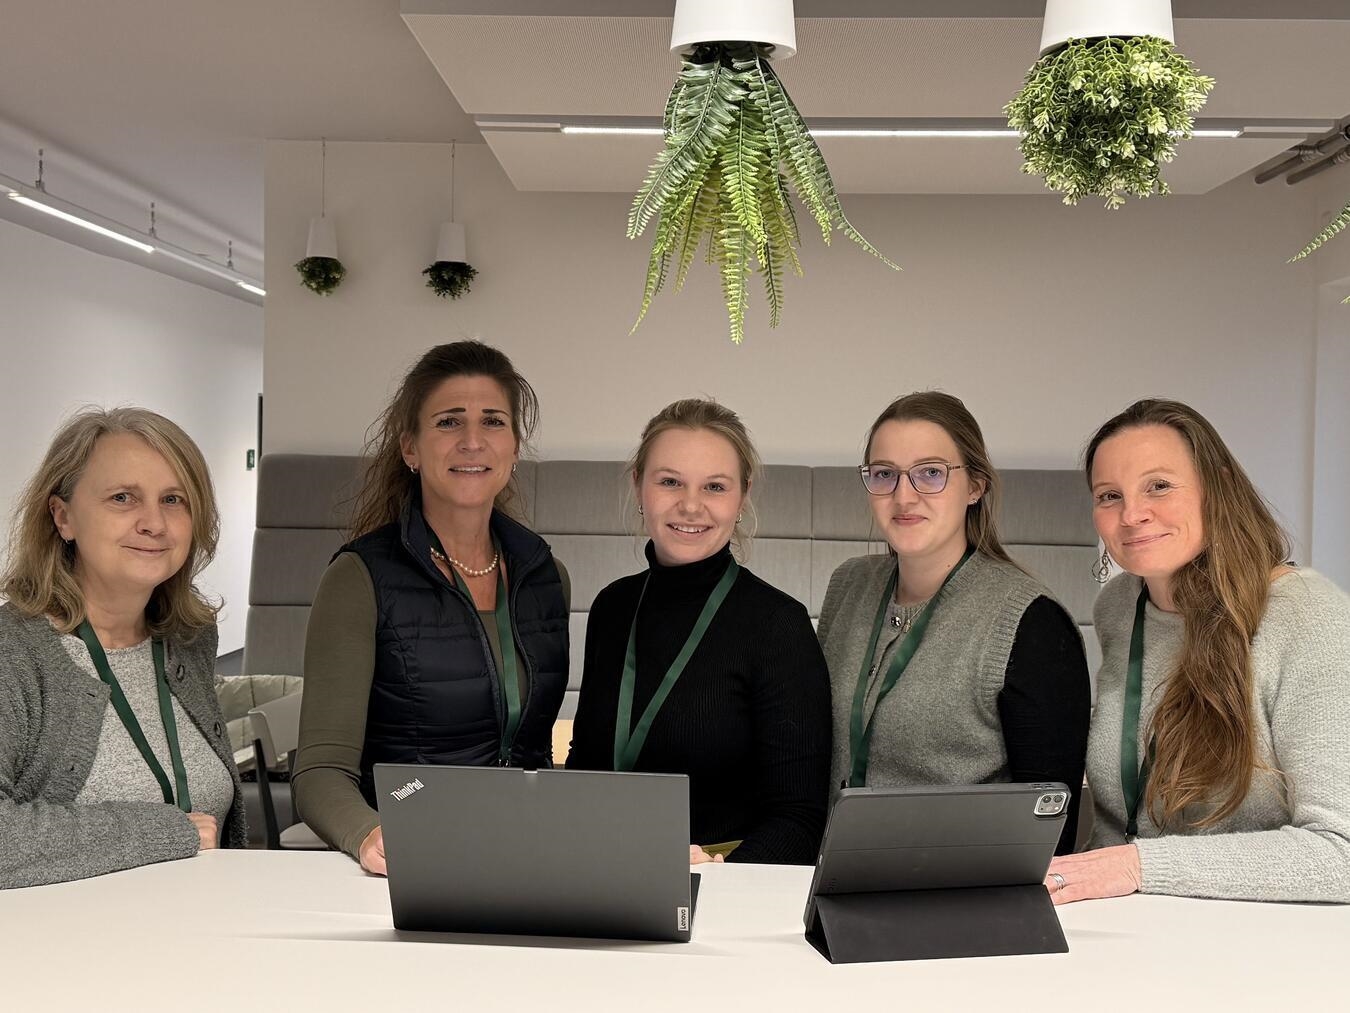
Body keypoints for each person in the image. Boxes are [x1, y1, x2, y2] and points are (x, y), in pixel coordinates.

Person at [1046, 398, 1350, 904]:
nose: (1132, 515)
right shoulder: (1118, 607)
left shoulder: (1308, 614)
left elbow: (1341, 852)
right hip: (1116, 922)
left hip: (1244, 935)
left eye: (1159, 486)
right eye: (1109, 495)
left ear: (1217, 488)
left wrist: (1137, 865)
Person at [293, 341, 569, 876]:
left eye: (493, 421)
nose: (472, 441)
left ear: (514, 446)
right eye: (448, 422)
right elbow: (321, 772)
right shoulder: (359, 578)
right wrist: (371, 835)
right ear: (411, 449)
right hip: (412, 863)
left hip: (528, 857)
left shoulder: (546, 576)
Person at [817, 392, 1090, 854]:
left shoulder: (1033, 623)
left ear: (975, 486)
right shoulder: (849, 586)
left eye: (930, 473)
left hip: (955, 887)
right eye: (884, 474)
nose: (904, 496)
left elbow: (1049, 835)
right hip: (831, 879)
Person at [566, 399, 831, 865]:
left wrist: (721, 877)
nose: (691, 506)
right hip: (599, 873)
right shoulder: (612, 607)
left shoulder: (778, 625)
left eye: (714, 486)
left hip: (720, 888)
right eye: (670, 481)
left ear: (742, 497)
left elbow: (799, 820)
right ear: (638, 485)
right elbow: (586, 765)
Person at [0, 407, 245, 889]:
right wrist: (165, 830)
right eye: (122, 498)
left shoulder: (189, 640)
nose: (154, 522)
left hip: (197, 926)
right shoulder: (14, 653)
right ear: (63, 517)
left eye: (173, 499)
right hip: (65, 935)